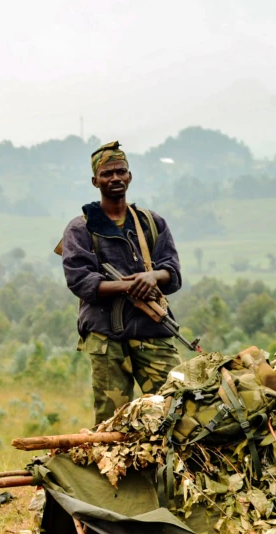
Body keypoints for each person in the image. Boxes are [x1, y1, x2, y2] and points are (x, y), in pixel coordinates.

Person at [60, 140, 183, 425]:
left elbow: (172, 273)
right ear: (95, 181)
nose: (115, 178)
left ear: (129, 176)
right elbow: (81, 282)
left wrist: (152, 277)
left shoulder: (151, 222)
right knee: (112, 423)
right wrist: (128, 286)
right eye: (107, 174)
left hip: (153, 330)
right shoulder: (81, 228)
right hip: (106, 338)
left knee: (174, 411)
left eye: (120, 172)